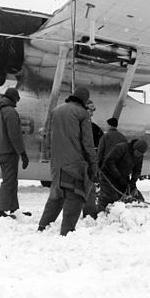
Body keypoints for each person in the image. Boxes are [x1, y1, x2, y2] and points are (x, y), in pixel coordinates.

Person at [38, 87, 98, 235]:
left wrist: (47, 154)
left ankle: (43, 227)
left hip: (56, 163)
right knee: (75, 197)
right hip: (74, 163)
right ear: (84, 99)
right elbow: (88, 143)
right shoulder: (82, 114)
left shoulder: (56, 111)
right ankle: (67, 231)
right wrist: (93, 165)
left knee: (56, 196)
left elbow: (47, 135)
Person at [0, 87, 29, 218]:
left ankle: (13, 209)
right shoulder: (10, 112)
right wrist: (23, 153)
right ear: (13, 98)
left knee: (11, 180)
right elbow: (15, 136)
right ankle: (0, 210)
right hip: (8, 151)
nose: (17, 103)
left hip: (0, 150)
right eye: (17, 99)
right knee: (8, 181)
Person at [98, 139, 148, 212]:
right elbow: (109, 162)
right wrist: (119, 177)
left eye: (140, 154)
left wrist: (132, 183)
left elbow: (137, 170)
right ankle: (101, 213)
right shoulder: (121, 148)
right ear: (134, 148)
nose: (137, 155)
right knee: (111, 199)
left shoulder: (139, 156)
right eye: (137, 153)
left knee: (138, 199)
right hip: (108, 176)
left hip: (123, 178)